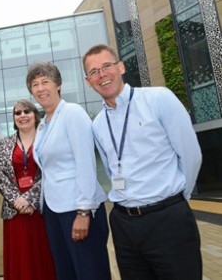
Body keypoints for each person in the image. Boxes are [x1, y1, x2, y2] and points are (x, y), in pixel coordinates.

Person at [83, 44, 202, 280]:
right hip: (123, 224)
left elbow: (191, 154)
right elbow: (109, 167)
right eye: (94, 72)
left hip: (168, 219)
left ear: (121, 67)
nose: (102, 75)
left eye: (107, 66)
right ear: (88, 82)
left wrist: (175, 201)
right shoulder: (97, 124)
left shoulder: (158, 99)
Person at [27, 62, 111, 280]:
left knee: (90, 272)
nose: (40, 88)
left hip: (78, 210)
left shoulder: (72, 113)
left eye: (45, 81)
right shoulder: (44, 124)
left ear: (58, 85)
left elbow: (85, 163)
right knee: (66, 273)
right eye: (35, 84)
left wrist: (84, 211)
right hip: (55, 211)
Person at [0, 99, 56, 280]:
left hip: (42, 209)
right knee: (20, 258)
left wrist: (29, 198)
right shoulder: (6, 143)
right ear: (14, 119)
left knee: (43, 256)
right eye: (17, 113)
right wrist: (16, 200)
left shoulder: (47, 138)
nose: (22, 116)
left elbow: (52, 170)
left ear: (35, 115)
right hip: (15, 212)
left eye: (26, 111)